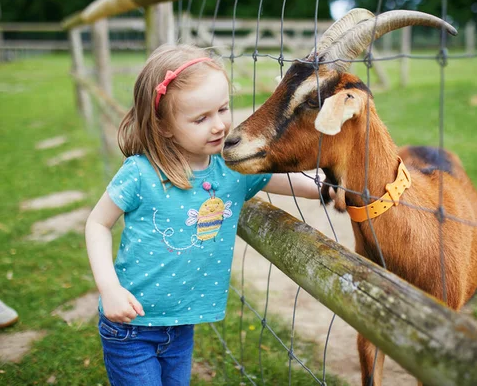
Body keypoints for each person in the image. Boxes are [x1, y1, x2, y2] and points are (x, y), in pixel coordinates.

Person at [85, 44, 324, 385]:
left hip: (181, 327)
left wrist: (334, 184)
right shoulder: (141, 173)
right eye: (201, 118)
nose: (218, 126)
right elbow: (97, 223)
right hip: (131, 328)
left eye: (223, 109)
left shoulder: (231, 169)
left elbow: (292, 181)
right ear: (164, 125)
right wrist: (109, 288)